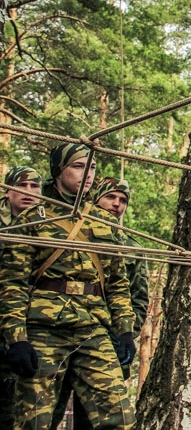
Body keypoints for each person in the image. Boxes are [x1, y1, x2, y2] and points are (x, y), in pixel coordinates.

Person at [0, 143, 136, 429]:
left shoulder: (105, 222)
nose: (87, 174)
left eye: (93, 168)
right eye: (78, 166)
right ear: (58, 171)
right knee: (33, 421)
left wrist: (125, 331)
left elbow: (118, 283)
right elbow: (12, 284)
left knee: (120, 417)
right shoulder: (33, 220)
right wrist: (17, 339)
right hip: (44, 329)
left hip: (92, 328)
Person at [49, 177, 149, 430]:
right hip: (59, 335)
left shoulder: (131, 247)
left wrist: (125, 334)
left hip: (107, 342)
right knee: (47, 413)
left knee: (99, 420)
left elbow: (138, 299)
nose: (116, 204)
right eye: (110, 197)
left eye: (122, 200)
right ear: (95, 199)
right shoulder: (65, 232)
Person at [0, 166, 43, 428]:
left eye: (35, 187)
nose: (28, 192)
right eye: (22, 186)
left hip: (26, 329)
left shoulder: (49, 227)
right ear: (7, 190)